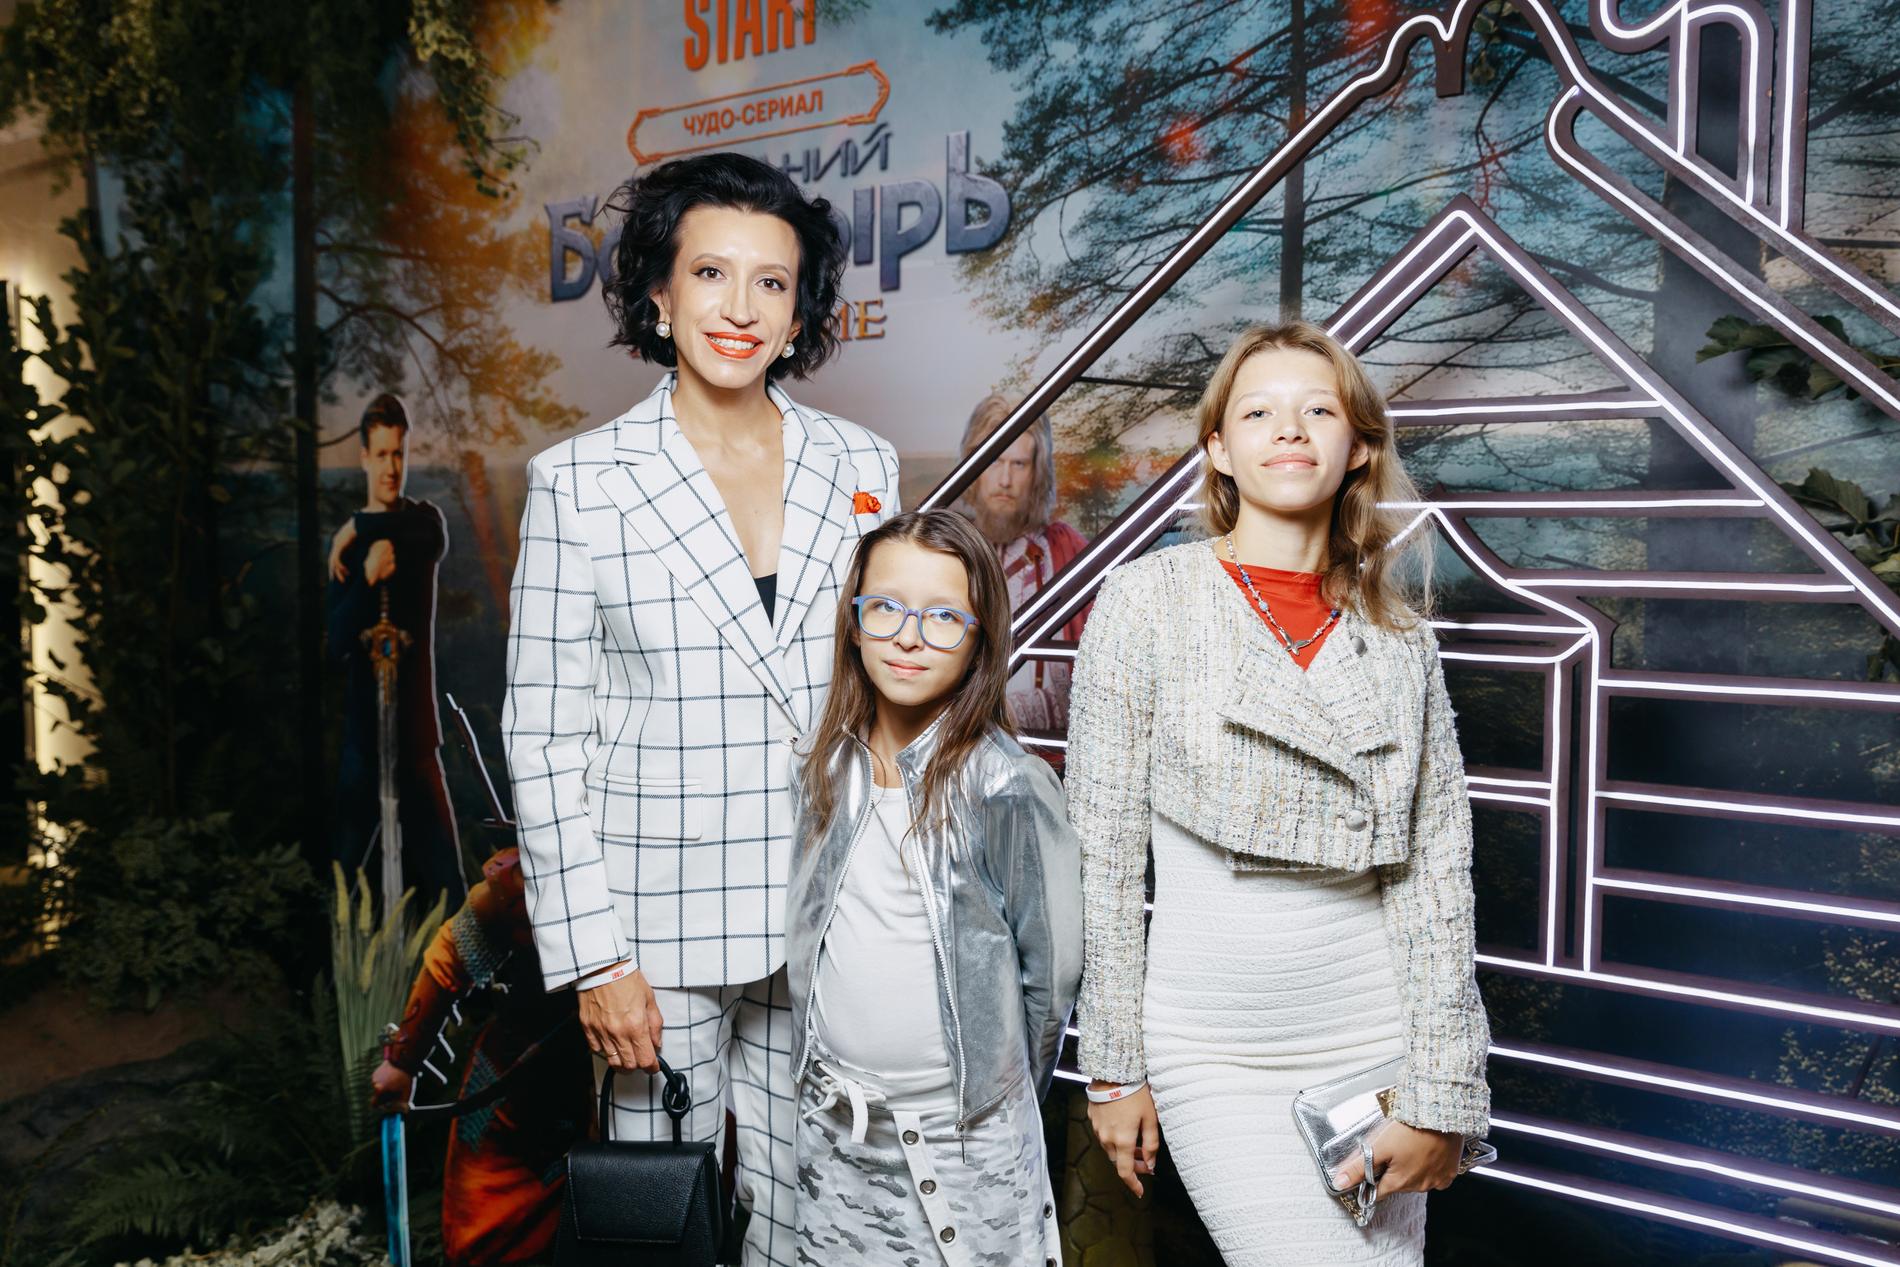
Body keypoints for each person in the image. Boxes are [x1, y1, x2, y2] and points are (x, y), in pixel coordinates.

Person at [501, 151, 898, 1267]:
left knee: (816, 1212)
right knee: (659, 1224)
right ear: (659, 296)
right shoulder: (581, 481)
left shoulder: (863, 465)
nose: (741, 307)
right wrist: (594, 958)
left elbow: (886, 691)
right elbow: (543, 737)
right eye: (711, 274)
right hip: (653, 933)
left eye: (772, 282)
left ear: (800, 313)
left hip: (827, 913)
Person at [1067, 322, 1490, 1265]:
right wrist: (1112, 1067)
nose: (1289, 429)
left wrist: (1441, 1088)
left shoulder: (1401, 637)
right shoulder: (1146, 601)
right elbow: (1102, 854)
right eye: (1258, 412)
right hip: (1214, 1047)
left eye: (1318, 410)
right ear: (1220, 448)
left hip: (1374, 1038)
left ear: (1359, 448)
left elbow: (1437, 873)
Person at [784, 509, 1082, 1265]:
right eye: (886, 607)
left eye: (944, 616)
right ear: (854, 624)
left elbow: (1051, 976)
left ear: (981, 638)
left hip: (964, 1141)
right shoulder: (825, 767)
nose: (909, 637)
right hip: (836, 1130)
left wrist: (994, 1096)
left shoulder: (1007, 785)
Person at [370, 848, 592, 1266]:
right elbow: (452, 953)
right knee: (476, 1242)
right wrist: (402, 1061)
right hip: (509, 1092)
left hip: (614, 1096)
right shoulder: (533, 876)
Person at [328, 393, 466, 909]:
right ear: (365, 457)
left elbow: (424, 537)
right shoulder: (349, 555)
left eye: (399, 454)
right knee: (345, 882)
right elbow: (336, 645)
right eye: (382, 454)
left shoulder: (421, 525)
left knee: (447, 881)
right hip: (364, 741)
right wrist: (366, 579)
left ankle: (469, 965)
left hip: (416, 734)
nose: (391, 468)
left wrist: (357, 527)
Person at [953, 394, 1090, 731]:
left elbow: (1095, 681)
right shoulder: (948, 546)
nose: (1005, 480)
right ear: (974, 467)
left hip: (1046, 748)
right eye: (994, 461)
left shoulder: (1066, 549)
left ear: (1037, 472)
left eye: (1018, 464)